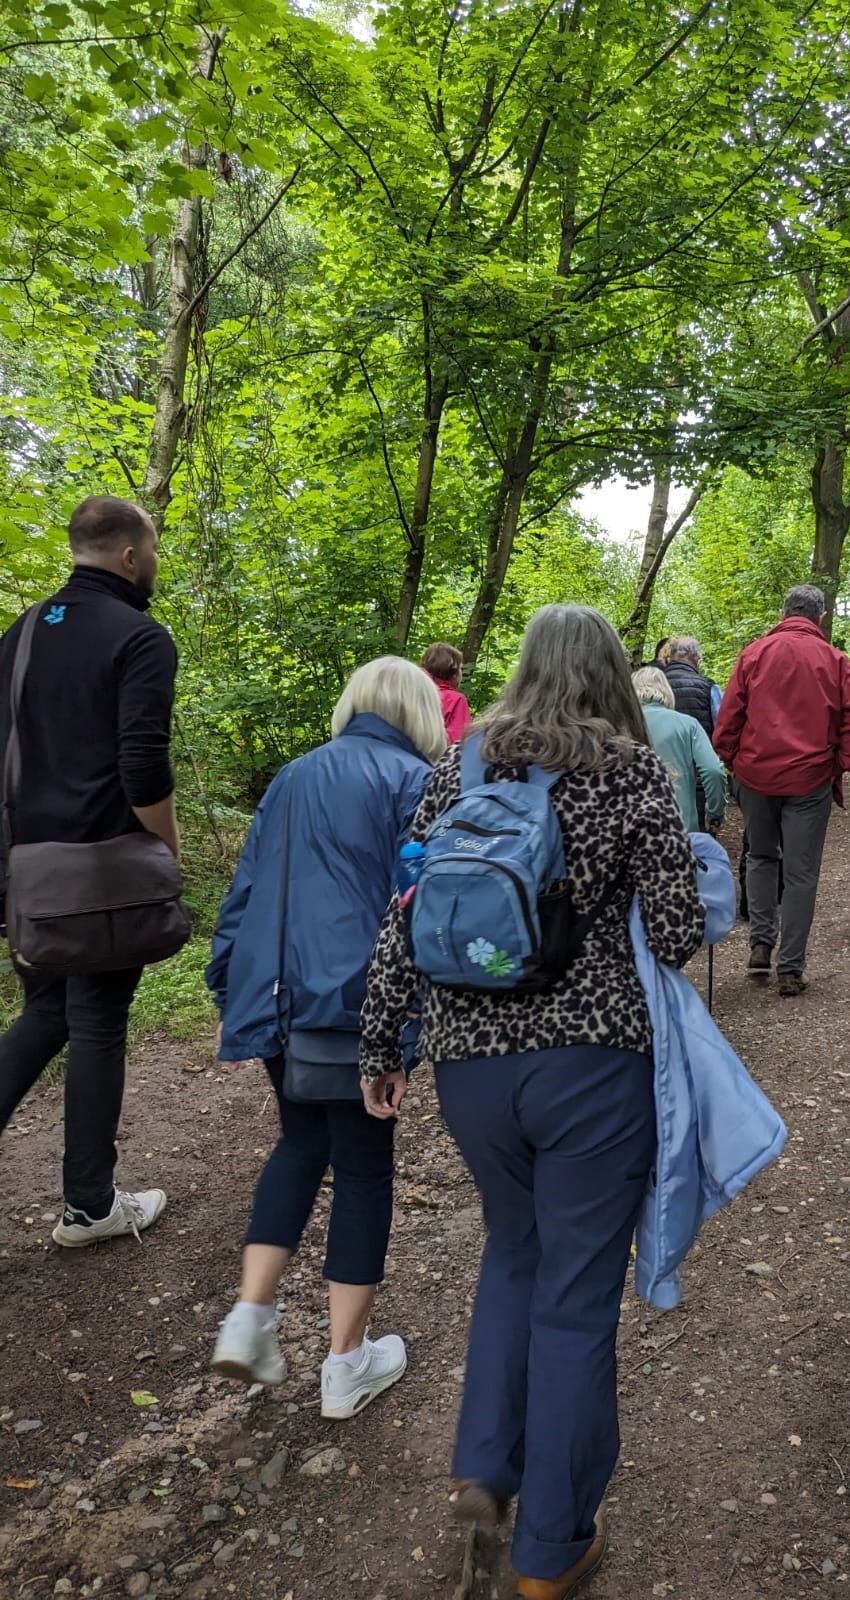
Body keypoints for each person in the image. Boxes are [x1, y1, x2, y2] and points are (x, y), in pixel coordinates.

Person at [360, 604, 704, 1600]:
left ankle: (484, 1472)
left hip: (472, 1068)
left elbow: (409, 910)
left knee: (512, 1252)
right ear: (606, 673)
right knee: (577, 1295)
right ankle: (551, 1547)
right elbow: (677, 930)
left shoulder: (459, 767)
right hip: (593, 1068)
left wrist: (383, 1041)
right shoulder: (631, 771)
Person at [207, 658, 445, 1419]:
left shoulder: (292, 776)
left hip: (276, 996)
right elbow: (421, 907)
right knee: (366, 1169)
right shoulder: (416, 782)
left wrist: (229, 981)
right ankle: (346, 1365)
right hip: (355, 1006)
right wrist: (413, 1022)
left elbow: (246, 889)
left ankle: (251, 1314)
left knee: (300, 1144)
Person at [0, 495, 177, 1247]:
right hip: (103, 874)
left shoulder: (22, 632)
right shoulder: (140, 636)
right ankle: (90, 1205)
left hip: (27, 872)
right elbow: (142, 764)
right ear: (131, 556)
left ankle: (90, 1198)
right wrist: (165, 851)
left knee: (46, 1011)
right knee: (97, 1020)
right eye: (156, 550)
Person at [714, 585, 850, 996]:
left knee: (761, 857)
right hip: (809, 779)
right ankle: (790, 967)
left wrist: (732, 759)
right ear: (819, 618)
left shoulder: (754, 654)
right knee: (801, 874)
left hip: (756, 776)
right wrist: (842, 763)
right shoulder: (835, 660)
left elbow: (729, 715)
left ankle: (760, 944)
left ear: (783, 612)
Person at [632, 666, 726, 833]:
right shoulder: (688, 724)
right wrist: (714, 812)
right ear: (666, 691)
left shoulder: (622, 726)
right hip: (681, 827)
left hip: (633, 828)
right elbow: (713, 771)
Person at [421, 642, 471, 743]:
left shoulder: (414, 693)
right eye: (460, 668)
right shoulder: (456, 699)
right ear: (454, 673)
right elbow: (458, 740)